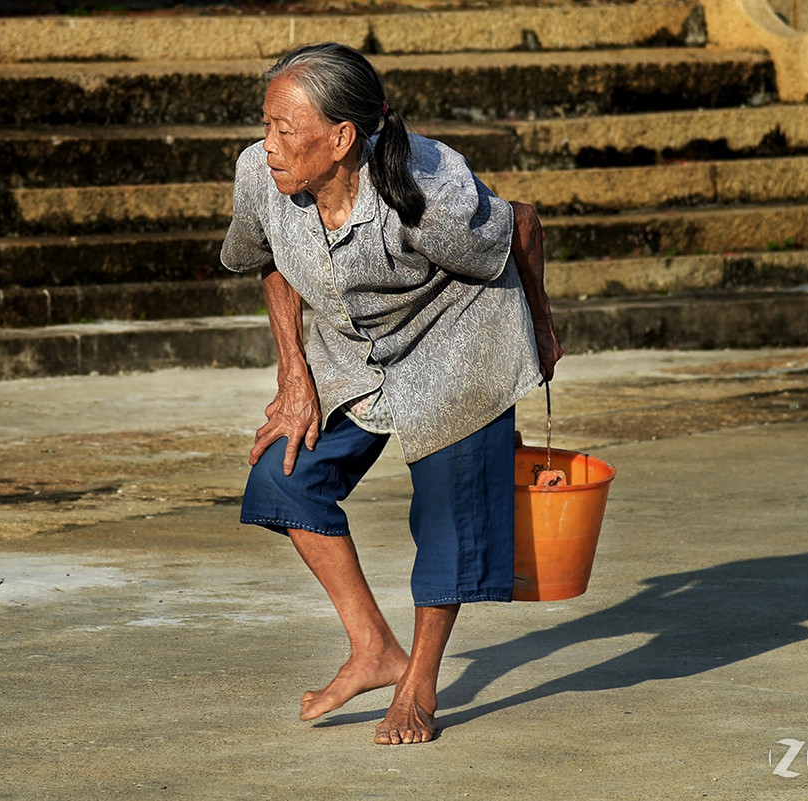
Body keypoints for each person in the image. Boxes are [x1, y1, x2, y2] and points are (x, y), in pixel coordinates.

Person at [220, 42, 562, 745]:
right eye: (267, 124)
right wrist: (293, 373)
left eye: (287, 129)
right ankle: (374, 647)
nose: (270, 144)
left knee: (447, 516)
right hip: (355, 348)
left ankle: (419, 682)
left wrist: (543, 329)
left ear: (342, 138)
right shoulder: (260, 174)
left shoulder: (428, 192)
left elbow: (520, 223)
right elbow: (267, 259)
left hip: (458, 339)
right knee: (283, 477)